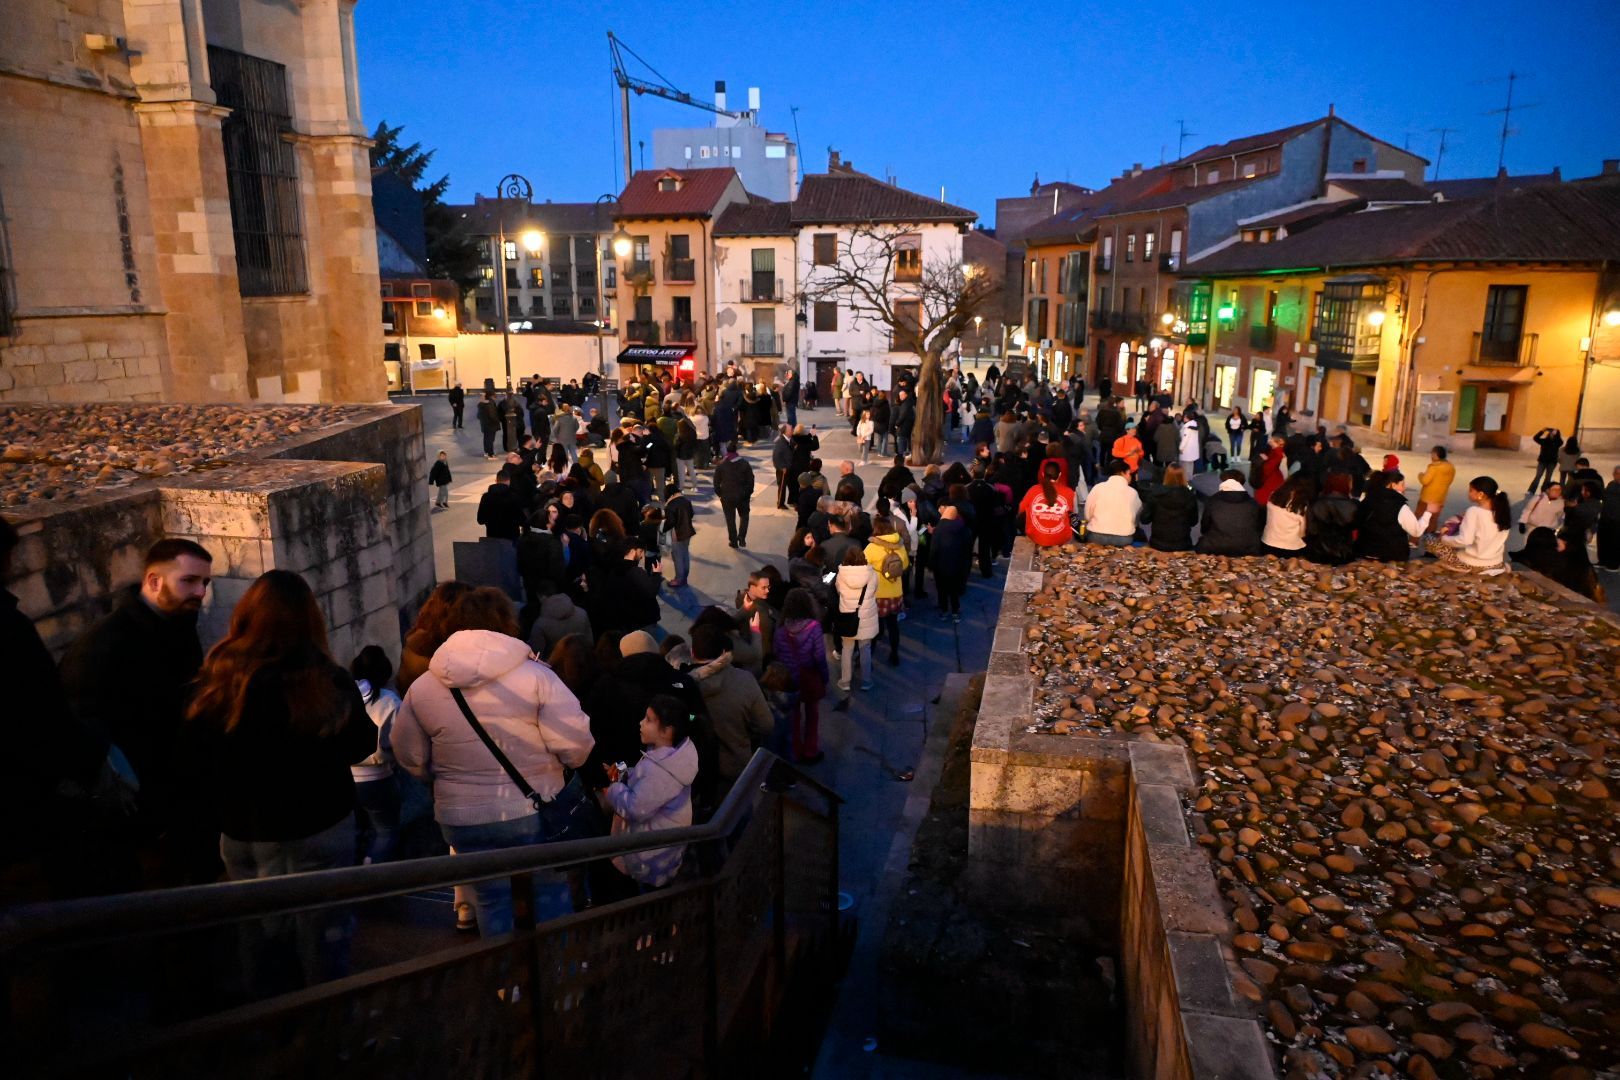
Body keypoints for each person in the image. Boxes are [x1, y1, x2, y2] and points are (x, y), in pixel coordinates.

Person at [186, 570, 376, 991]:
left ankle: (270, 1016)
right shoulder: (325, 680)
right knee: (322, 940)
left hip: (242, 830)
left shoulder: (218, 678)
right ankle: (325, 1019)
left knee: (256, 938)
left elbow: (197, 753)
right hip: (315, 826)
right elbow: (362, 744)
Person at [392, 588, 596, 935]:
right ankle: (557, 964)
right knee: (549, 893)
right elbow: (576, 747)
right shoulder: (537, 676)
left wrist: (445, 777)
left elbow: (409, 756)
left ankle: (507, 969)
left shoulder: (424, 687)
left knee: (491, 899)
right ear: (505, 624)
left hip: (462, 819)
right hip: (532, 812)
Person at [59, 538, 215, 887]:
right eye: (189, 580)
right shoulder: (102, 648)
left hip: (181, 796)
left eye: (205, 582)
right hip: (140, 813)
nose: (201, 592)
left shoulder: (179, 625)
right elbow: (83, 734)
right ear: (154, 581)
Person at [688, 627, 772, 803]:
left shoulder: (683, 685)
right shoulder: (744, 680)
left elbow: (687, 719)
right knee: (738, 808)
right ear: (723, 652)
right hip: (735, 764)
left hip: (696, 769)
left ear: (693, 652)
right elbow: (766, 724)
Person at [350, 645, 402, 865]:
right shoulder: (390, 701)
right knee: (386, 831)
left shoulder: (342, 696)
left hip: (346, 776)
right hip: (378, 777)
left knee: (355, 831)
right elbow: (400, 742)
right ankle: (371, 869)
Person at [774, 588, 829, 763]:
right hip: (809, 677)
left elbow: (777, 654)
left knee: (794, 716)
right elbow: (819, 657)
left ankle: (795, 750)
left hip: (790, 680)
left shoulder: (781, 630)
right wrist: (824, 677)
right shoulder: (814, 627)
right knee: (812, 715)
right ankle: (810, 751)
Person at [1424, 476, 1510, 574]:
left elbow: (1465, 540)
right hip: (1496, 562)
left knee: (1429, 539)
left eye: (1471, 490)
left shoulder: (1474, 511)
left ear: (1480, 494)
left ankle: (1461, 567)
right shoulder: (1502, 511)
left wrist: (1444, 538)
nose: (1468, 493)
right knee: (1456, 543)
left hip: (1474, 563)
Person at [1354, 471, 1432, 562]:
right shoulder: (1399, 505)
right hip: (1392, 555)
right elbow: (1416, 532)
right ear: (1393, 485)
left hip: (1365, 551)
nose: (1404, 488)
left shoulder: (1367, 499)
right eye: (1402, 485)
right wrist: (1428, 512)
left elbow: (1357, 523)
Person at [834, 547, 881, 691]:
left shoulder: (841, 575)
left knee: (847, 649)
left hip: (848, 617)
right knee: (865, 649)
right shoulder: (872, 574)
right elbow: (875, 590)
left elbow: (838, 591)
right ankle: (866, 681)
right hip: (866, 617)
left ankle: (845, 682)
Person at [865, 515, 910, 666]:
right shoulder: (900, 546)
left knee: (874, 628)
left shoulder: (872, 548)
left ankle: (868, 658)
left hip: (877, 594)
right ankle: (894, 654)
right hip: (895, 593)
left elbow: (864, 567)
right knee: (893, 626)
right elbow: (905, 565)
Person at [1196, 470, 1264, 556]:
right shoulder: (1253, 503)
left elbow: (1204, 528)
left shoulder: (1213, 501)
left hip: (1215, 545)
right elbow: (1259, 527)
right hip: (1248, 547)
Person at [1018, 459, 1076, 548]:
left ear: (1042, 474)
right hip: (1061, 538)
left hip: (1036, 537)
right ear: (1059, 475)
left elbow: (1020, 509)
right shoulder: (1069, 492)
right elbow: (1074, 515)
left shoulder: (1033, 490)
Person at [929, 505, 974, 620]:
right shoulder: (962, 529)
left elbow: (934, 549)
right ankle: (955, 612)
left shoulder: (938, 529)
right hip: (956, 565)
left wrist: (931, 563)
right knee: (954, 590)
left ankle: (944, 610)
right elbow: (966, 549)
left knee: (942, 589)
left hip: (940, 566)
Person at [1303, 473, 1359, 565]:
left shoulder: (1315, 503)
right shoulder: (1354, 505)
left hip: (1317, 553)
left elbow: (1311, 530)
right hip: (1344, 554)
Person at [1084, 460, 1141, 546]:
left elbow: (1087, 515)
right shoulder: (1133, 492)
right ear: (1123, 473)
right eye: (1129, 474)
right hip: (1123, 538)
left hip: (1096, 535)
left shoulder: (1098, 488)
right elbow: (1136, 519)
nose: (1130, 477)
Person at [1142, 464, 1198, 552]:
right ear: (1183, 477)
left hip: (1158, 543)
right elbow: (1194, 521)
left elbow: (1144, 519)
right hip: (1183, 543)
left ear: (1166, 476)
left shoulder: (1155, 494)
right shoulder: (1190, 496)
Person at [1261, 473, 1314, 558]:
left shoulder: (1273, 496)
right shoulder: (1302, 505)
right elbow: (1302, 533)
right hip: (1291, 547)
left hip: (1268, 542)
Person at [714, 440, 755, 549]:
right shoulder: (744, 463)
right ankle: (741, 537)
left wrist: (720, 494)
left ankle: (733, 541)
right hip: (743, 496)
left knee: (730, 519)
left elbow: (716, 482)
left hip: (727, 496)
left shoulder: (721, 465)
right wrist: (748, 492)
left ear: (727, 451)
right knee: (744, 516)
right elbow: (751, 480)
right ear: (736, 450)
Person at [1417, 446, 1455, 534]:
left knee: (1419, 518)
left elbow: (1425, 481)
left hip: (1427, 498)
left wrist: (1420, 475)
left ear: (1435, 454)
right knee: (1433, 520)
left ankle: (1413, 540)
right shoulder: (1451, 467)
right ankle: (1429, 538)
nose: (1431, 455)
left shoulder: (1434, 467)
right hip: (1439, 498)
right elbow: (1449, 481)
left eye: (1432, 453)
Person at [1529, 428, 1562, 493]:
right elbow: (1535, 438)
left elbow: (1560, 441)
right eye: (1551, 432)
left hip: (1552, 462)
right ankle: (1531, 490)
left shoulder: (1557, 442)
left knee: (1548, 477)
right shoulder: (1544, 441)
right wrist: (1542, 431)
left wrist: (1557, 433)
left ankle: (1544, 490)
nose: (1552, 433)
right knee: (1538, 476)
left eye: (1554, 432)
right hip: (1542, 461)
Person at [1600, 466, 1620, 571]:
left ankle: (1614, 564)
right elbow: (1605, 497)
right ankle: (1603, 561)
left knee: (1615, 541)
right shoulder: (1611, 484)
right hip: (1606, 517)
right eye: (1616, 473)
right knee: (1605, 540)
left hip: (1617, 519)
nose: (1617, 476)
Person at [771, 424, 795, 509]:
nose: (792, 431)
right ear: (785, 432)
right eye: (791, 429)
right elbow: (776, 457)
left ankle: (792, 501)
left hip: (790, 467)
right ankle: (780, 503)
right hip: (783, 470)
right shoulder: (780, 442)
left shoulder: (789, 439)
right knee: (782, 487)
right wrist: (782, 467)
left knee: (792, 485)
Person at [476, 392, 500, 459]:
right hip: (491, 425)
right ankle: (491, 454)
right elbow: (492, 415)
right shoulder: (490, 404)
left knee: (486, 439)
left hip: (484, 425)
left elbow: (478, 416)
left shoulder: (480, 405)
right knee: (490, 440)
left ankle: (486, 452)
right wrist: (497, 420)